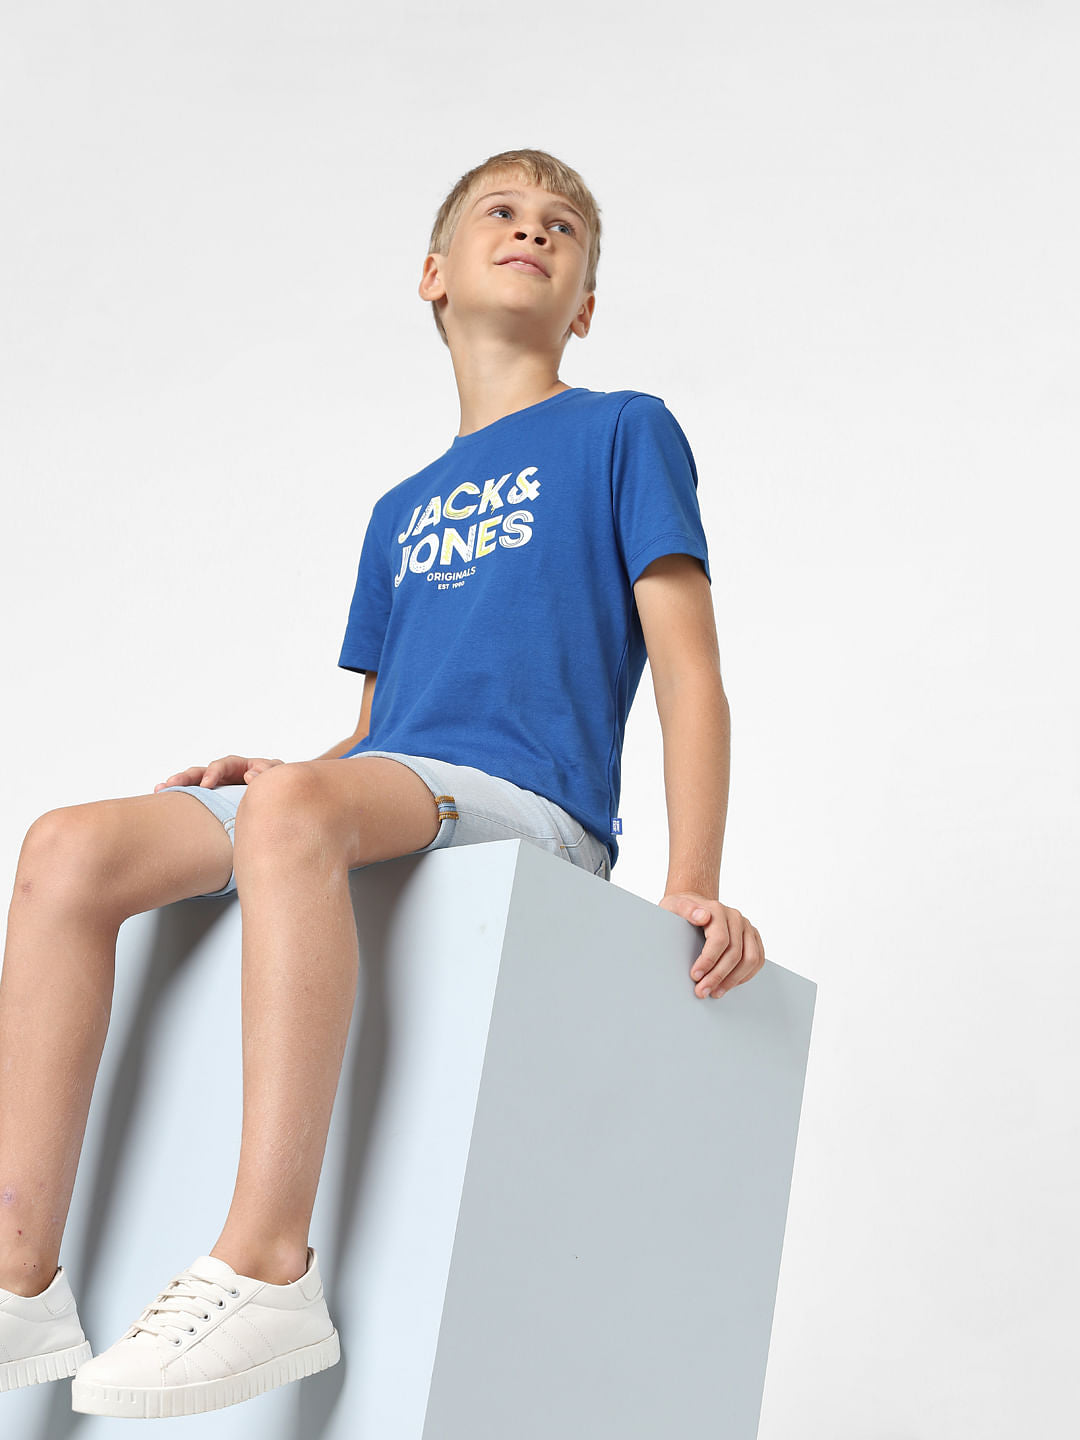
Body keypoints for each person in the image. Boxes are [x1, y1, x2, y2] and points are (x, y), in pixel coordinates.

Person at [0, 147, 765, 1416]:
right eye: (502, 213)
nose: (534, 230)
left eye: (563, 227)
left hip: (534, 807)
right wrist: (300, 771)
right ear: (432, 275)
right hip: (390, 781)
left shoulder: (624, 429)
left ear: (584, 304)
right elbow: (380, 729)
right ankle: (18, 1286)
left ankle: (266, 1265)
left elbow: (691, 674)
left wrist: (694, 880)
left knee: (294, 809)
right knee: (66, 847)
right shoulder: (399, 509)